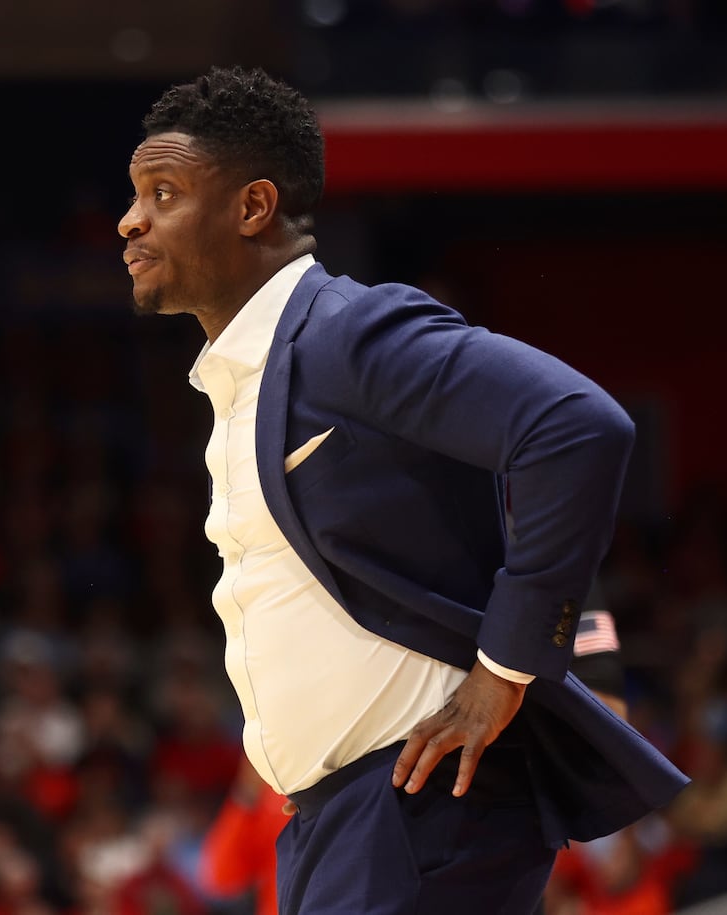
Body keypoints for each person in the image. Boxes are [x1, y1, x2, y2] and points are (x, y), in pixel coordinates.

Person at [119, 66, 687, 913]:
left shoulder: (348, 332)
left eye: (163, 193)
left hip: (418, 803)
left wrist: (507, 666)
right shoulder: (244, 380)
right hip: (330, 821)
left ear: (252, 207)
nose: (131, 219)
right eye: (136, 195)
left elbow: (577, 425)